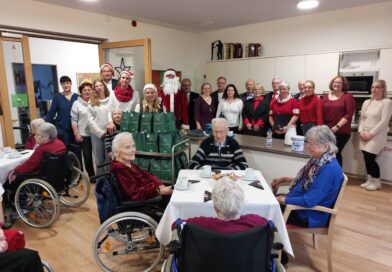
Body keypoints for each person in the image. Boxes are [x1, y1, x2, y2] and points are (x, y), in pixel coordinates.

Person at [272, 125, 344, 228]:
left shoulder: (329, 169)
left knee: (267, 208)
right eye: (308, 142)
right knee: (269, 202)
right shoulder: (321, 160)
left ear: (325, 147)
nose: (307, 146)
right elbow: (310, 182)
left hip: (308, 215)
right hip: (300, 207)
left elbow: (310, 200)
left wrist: (284, 200)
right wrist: (286, 179)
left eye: (312, 144)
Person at [177, 179, 267, 232]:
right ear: (241, 203)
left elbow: (175, 225)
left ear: (215, 208)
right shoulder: (256, 221)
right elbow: (271, 227)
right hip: (247, 264)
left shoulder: (200, 223)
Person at [110, 132, 172, 203]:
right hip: (139, 203)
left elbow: (146, 174)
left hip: (149, 191)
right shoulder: (120, 169)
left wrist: (159, 184)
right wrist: (159, 191)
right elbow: (136, 194)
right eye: (127, 147)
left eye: (133, 146)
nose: (132, 150)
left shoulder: (129, 164)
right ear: (117, 152)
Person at [358, 80, 392, 191]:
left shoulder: (386, 102)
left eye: (377, 87)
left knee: (370, 158)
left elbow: (384, 121)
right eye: (373, 87)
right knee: (366, 158)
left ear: (383, 89)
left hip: (377, 135)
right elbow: (362, 118)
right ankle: (370, 179)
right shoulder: (367, 102)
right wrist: (360, 131)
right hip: (364, 134)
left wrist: (370, 133)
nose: (374, 89)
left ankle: (377, 182)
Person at [322, 76, 355, 167]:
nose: (336, 84)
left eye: (339, 83)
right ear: (332, 83)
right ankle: (328, 174)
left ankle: (338, 177)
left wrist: (336, 127)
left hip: (341, 131)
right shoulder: (326, 96)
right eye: (335, 82)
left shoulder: (348, 96)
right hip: (327, 130)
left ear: (343, 85)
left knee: (335, 153)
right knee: (326, 153)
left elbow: (349, 114)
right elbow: (321, 112)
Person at [44, 76, 79, 155]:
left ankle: (78, 167)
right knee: (65, 153)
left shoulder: (77, 97)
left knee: (77, 152)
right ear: (61, 85)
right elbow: (51, 114)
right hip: (63, 131)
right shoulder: (57, 98)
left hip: (76, 130)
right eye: (63, 83)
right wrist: (42, 126)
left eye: (67, 83)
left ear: (71, 84)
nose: (66, 85)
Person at [71, 81, 95, 178]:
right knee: (87, 156)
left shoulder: (95, 102)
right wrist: (76, 134)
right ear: (81, 92)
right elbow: (74, 120)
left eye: (89, 89)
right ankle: (92, 175)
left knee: (99, 156)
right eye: (84, 90)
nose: (87, 91)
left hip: (97, 133)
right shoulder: (76, 103)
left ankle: (102, 174)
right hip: (84, 134)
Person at [88, 79, 111, 173]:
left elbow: (112, 114)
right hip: (96, 134)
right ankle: (100, 182)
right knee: (99, 159)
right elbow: (90, 121)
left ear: (104, 86)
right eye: (96, 86)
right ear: (94, 89)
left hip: (109, 133)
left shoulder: (110, 99)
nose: (99, 87)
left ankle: (109, 183)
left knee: (109, 159)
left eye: (100, 85)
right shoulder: (91, 102)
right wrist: (100, 133)